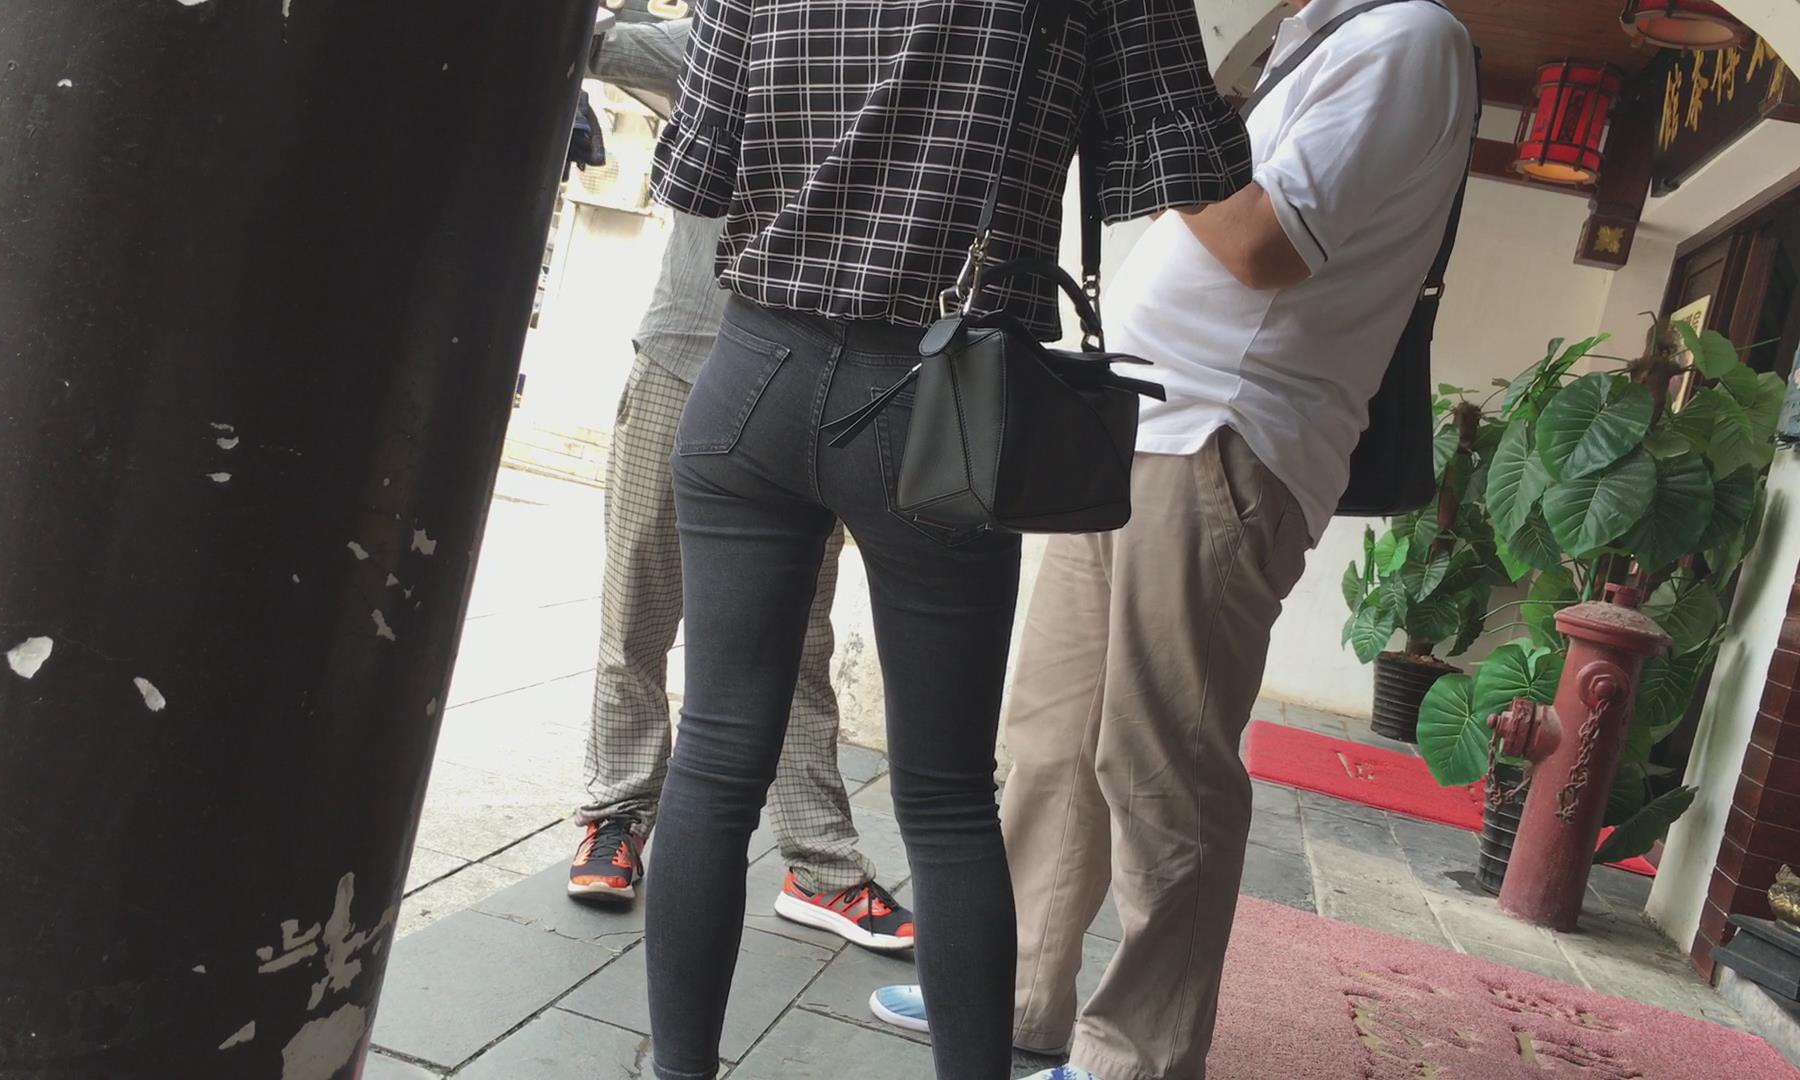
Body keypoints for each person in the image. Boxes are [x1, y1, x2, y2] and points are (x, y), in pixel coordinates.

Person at [868, 2, 1479, 1078]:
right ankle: (1012, 995)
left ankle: (1140, 1057)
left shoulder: (1409, 38)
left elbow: (1264, 244)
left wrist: (1161, 113)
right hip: (1135, 428)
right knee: (1052, 736)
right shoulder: (1312, 40)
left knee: (1161, 767)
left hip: (1224, 439)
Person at [640, 1, 1249, 1077]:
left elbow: (694, 172)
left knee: (716, 758)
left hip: (751, 374)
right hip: (946, 399)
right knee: (947, 795)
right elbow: (1193, 165)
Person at [566, 9, 917, 953]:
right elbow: (589, 39)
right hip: (683, 359)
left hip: (802, 382)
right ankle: (615, 816)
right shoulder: (729, 32)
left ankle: (821, 865)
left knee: (797, 636)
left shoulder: (896, 46)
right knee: (638, 603)